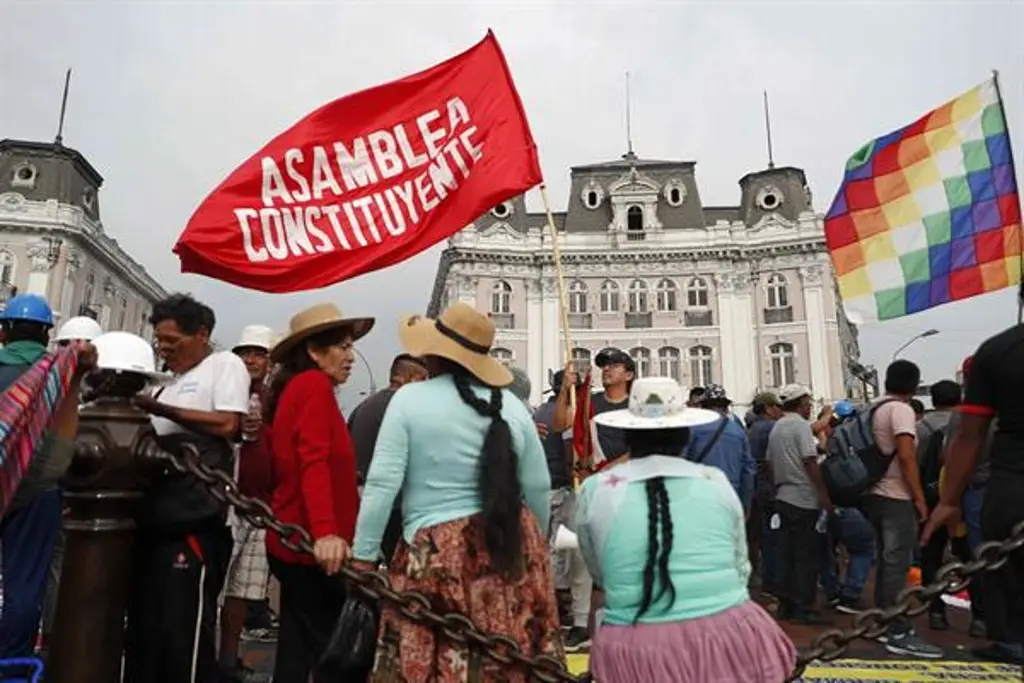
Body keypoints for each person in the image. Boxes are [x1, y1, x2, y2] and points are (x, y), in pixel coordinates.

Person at [351, 303, 563, 682]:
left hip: (434, 548)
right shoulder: (513, 408)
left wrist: (364, 555)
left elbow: (383, 484)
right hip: (512, 541)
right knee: (509, 651)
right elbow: (538, 486)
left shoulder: (410, 400)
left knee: (432, 656)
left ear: (434, 354)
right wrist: (536, 545)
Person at [577, 377, 796, 682]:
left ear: (628, 433)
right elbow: (739, 565)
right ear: (684, 434)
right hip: (730, 635)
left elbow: (601, 572)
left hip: (635, 646)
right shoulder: (714, 480)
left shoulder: (595, 489)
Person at [125, 294, 252, 683]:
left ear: (202, 335)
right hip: (156, 520)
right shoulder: (166, 385)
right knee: (147, 626)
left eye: (174, 342)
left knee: (184, 629)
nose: (165, 350)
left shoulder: (223, 365)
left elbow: (228, 424)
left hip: (194, 520)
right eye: (160, 342)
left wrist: (161, 411)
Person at [264, 303, 373, 683]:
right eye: (341, 346)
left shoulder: (302, 388)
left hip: (300, 540)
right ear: (313, 351)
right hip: (312, 544)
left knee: (298, 651)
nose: (350, 357)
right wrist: (326, 532)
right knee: (337, 657)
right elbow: (314, 461)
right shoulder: (311, 387)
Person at [925, 315, 1024, 665]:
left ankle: (1012, 643)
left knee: (1004, 572)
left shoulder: (997, 352)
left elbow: (969, 437)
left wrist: (949, 500)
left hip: (1009, 488)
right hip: (1002, 487)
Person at [0, 294, 94, 659]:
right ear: (45, 335)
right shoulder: (59, 374)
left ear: (5, 331)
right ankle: (10, 663)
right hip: (38, 488)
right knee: (25, 581)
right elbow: (65, 437)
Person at [861, 360, 941, 658]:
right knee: (897, 563)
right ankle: (897, 629)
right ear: (913, 384)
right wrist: (919, 498)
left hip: (872, 493)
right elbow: (907, 457)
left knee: (887, 561)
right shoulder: (901, 409)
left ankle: (885, 621)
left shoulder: (872, 408)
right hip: (895, 495)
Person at [40, 313, 103, 649]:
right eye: (67, 344)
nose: (72, 351)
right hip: (50, 491)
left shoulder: (99, 395)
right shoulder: (45, 387)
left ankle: (56, 637)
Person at [219, 324, 277, 681]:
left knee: (244, 590)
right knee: (218, 587)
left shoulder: (273, 398)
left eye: (259, 353)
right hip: (227, 503)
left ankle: (228, 657)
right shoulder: (225, 392)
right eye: (246, 353)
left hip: (261, 508)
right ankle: (210, 658)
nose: (252, 360)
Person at [348, 353, 427, 561]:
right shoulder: (403, 408)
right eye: (424, 381)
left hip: (360, 503)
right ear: (411, 378)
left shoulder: (363, 407)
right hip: (393, 507)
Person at [767, 383, 832, 625]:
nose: (809, 408)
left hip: (784, 497)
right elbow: (810, 462)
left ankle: (786, 602)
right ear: (801, 404)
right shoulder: (800, 427)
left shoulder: (777, 428)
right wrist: (823, 494)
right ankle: (803, 605)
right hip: (804, 499)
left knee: (787, 554)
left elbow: (770, 464)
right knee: (806, 556)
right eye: (808, 403)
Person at [534, 369, 590, 644]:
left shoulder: (538, 414)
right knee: (572, 557)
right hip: (568, 491)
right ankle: (571, 614)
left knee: (548, 553)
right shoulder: (570, 413)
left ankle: (553, 610)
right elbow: (571, 457)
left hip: (542, 489)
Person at [684, 384, 755, 513]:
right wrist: (745, 505)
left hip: (700, 497)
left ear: (703, 406)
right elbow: (748, 470)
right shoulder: (738, 431)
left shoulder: (692, 429)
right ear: (726, 407)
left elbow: (682, 463)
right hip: (731, 497)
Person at [746, 392, 782, 593]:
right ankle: (774, 579)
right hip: (768, 487)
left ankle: (766, 576)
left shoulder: (753, 429)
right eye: (776, 406)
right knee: (773, 536)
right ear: (768, 408)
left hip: (756, 488)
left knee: (762, 536)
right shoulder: (771, 428)